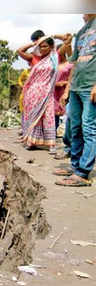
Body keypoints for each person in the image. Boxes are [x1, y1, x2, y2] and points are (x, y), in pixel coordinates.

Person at [55, 14, 96, 186]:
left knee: (89, 128)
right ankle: (75, 166)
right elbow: (75, 62)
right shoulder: (82, 31)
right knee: (75, 127)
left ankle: (83, 173)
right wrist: (68, 89)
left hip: (90, 88)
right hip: (77, 87)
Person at [20, 36, 58, 153]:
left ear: (51, 47)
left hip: (47, 93)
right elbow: (19, 51)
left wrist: (54, 36)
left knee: (48, 116)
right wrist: (34, 44)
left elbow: (67, 41)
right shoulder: (35, 58)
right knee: (33, 116)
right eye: (40, 47)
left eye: (45, 46)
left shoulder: (55, 58)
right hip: (32, 93)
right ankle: (31, 142)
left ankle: (51, 144)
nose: (42, 49)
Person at [53, 44, 74, 160]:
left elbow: (73, 77)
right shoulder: (53, 65)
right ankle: (66, 148)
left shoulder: (71, 64)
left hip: (69, 93)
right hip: (54, 94)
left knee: (69, 120)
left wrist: (66, 86)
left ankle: (70, 150)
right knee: (58, 119)